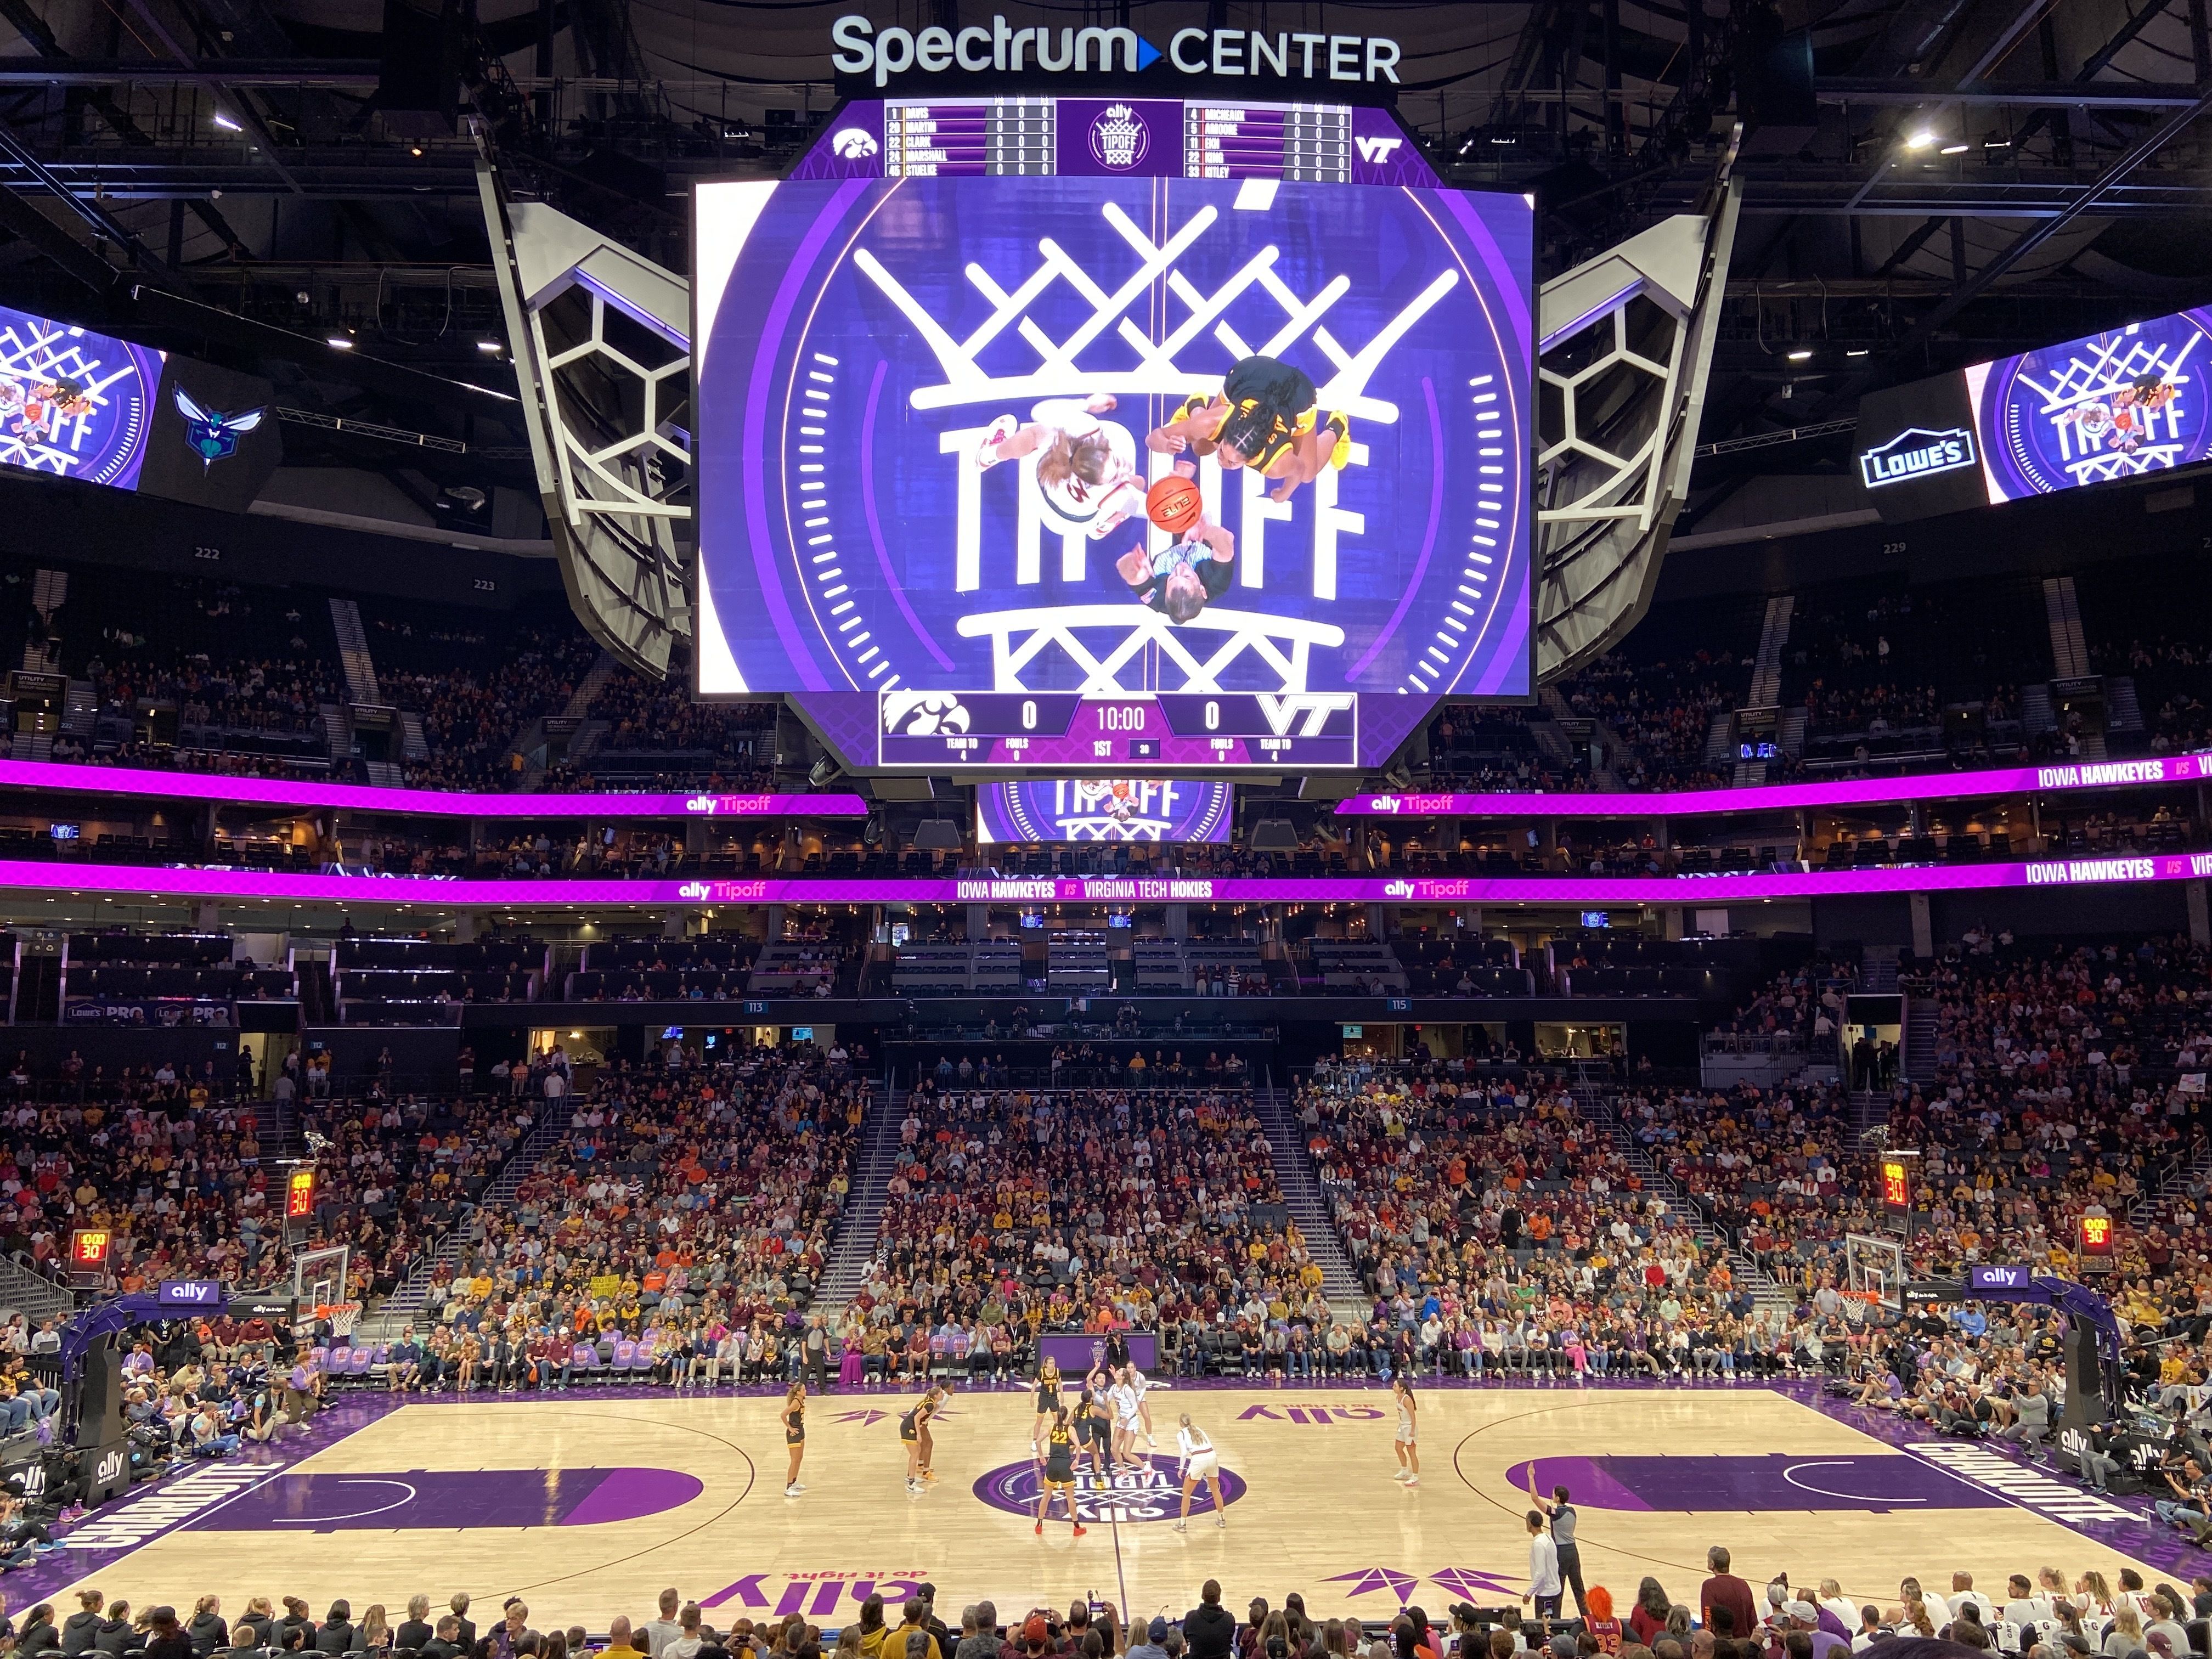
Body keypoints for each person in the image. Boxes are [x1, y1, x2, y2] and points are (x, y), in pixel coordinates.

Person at [1146, 354, 1352, 504]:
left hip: (1295, 391)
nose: (1222, 462)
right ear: (1227, 431)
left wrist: (1285, 492)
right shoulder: (1216, 421)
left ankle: (1337, 427)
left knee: (1308, 474)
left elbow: (1298, 470)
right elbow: (1152, 438)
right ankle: (1195, 405)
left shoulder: (1276, 464)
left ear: (1253, 459)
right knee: (1201, 448)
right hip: (1250, 373)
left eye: (1233, 462)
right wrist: (1166, 444)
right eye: (1223, 450)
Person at [973, 394, 1146, 541]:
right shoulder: (1115, 494)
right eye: (1115, 475)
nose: (1124, 468)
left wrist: (1086, 404)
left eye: (1117, 464)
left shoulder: (1086, 429)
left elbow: (1039, 411)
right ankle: (1105, 525)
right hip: (1077, 524)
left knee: (1036, 434)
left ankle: (987, 457)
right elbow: (1150, 510)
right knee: (1139, 483)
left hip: (1047, 494)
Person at [1529, 1481, 1586, 1616]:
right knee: (1579, 1588)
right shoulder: (1572, 1511)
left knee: (1558, 1589)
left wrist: (1531, 1477)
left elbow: (1535, 1499)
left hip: (1561, 1553)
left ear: (1558, 1498)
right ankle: (1587, 1616)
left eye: (1553, 1494)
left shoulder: (1556, 1514)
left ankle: (1556, 1619)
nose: (1552, 1495)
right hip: (1573, 1551)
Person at [1035, 1406, 1085, 1539]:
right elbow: (1078, 1446)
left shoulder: (1052, 1427)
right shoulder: (1070, 1429)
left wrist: (1041, 1456)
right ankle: (1076, 1528)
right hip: (1065, 1464)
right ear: (1066, 1416)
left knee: (1046, 1497)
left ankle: (1039, 1525)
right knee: (1070, 1498)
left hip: (1052, 1464)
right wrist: (1077, 1460)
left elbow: (1038, 1441)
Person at [1175, 1412, 1226, 1533]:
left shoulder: (1181, 1434)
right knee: (1215, 1489)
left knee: (1186, 1493)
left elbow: (1183, 1453)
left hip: (1199, 1460)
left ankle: (1182, 1524)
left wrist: (1181, 1468)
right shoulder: (1199, 1429)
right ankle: (1222, 1519)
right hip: (1212, 1456)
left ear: (1180, 1423)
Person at [1700, 1548, 1759, 1640]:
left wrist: (1706, 1640)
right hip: (1744, 1643)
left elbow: (1708, 1616)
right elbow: (1752, 1620)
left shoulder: (1709, 1586)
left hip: (1721, 1644)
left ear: (1712, 1564)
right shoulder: (1743, 1584)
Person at [901, 1385, 943, 1495]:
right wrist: (919, 1434)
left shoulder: (929, 1402)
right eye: (941, 1393)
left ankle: (910, 1477)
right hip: (909, 1427)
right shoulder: (930, 1405)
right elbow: (916, 1418)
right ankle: (911, 1485)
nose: (943, 1394)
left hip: (910, 1426)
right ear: (936, 1396)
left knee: (917, 1451)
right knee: (914, 1455)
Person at [1522, 1511, 1562, 1620]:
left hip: (1546, 1594)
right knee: (1555, 1625)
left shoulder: (1538, 1544)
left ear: (1530, 1524)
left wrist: (1529, 1593)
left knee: (1544, 1627)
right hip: (1556, 1590)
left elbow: (1541, 1573)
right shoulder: (1548, 1538)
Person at [1392, 1378, 1420, 1488]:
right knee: (1398, 1448)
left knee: (1412, 1452)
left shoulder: (1407, 1399)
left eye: (1395, 1386)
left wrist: (1413, 1430)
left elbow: (1413, 1416)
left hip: (1409, 1427)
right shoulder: (1398, 1397)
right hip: (1402, 1426)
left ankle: (1415, 1477)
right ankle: (1405, 1471)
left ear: (1401, 1388)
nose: (1393, 1387)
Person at [783, 1382, 808, 1499]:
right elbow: (783, 1415)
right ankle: (788, 1487)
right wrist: (790, 1428)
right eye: (804, 1390)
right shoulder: (795, 1403)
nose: (806, 1391)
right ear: (798, 1392)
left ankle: (794, 1482)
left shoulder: (801, 1401)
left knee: (799, 1459)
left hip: (801, 1430)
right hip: (794, 1433)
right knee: (794, 1460)